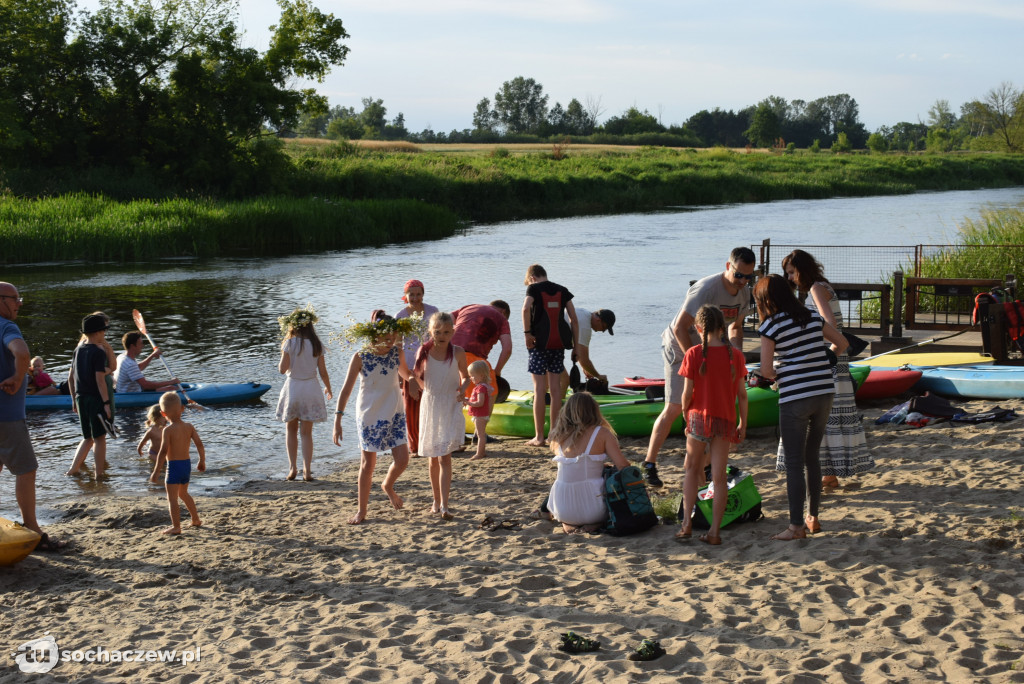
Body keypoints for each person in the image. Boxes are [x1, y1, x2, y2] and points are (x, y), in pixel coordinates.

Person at [642, 247, 756, 487]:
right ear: (728, 267)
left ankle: (705, 467)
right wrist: (695, 362)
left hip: (714, 350)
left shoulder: (744, 293)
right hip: (681, 347)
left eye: (749, 277)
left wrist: (734, 358)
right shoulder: (706, 289)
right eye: (739, 275)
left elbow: (735, 328)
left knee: (711, 408)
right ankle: (649, 463)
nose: (743, 282)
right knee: (674, 406)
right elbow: (679, 328)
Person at [754, 274, 848, 541]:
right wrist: (827, 357)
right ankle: (813, 518)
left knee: (794, 464)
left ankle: (795, 527)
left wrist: (771, 375)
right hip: (824, 392)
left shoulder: (770, 325)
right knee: (812, 457)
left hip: (796, 396)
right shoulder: (809, 315)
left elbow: (767, 370)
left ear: (766, 300)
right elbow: (842, 343)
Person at [781, 249, 873, 489]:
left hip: (828, 358)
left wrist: (829, 355)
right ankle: (828, 473)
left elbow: (829, 323)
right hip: (836, 356)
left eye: (792, 273)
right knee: (833, 414)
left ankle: (827, 473)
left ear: (801, 269)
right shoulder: (824, 286)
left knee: (824, 416)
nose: (790, 278)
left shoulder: (815, 289)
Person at [333, 310, 420, 525]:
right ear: (375, 335)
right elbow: (345, 390)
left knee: (402, 460)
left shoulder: (396, 353)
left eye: (394, 337)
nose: (391, 341)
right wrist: (337, 420)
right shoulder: (360, 356)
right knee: (367, 465)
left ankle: (387, 485)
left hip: (395, 410)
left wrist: (412, 379)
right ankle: (362, 511)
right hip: (370, 413)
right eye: (387, 337)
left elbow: (404, 373)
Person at [675, 305, 748, 546]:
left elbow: (687, 394)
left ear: (698, 328)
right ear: (722, 328)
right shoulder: (735, 355)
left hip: (698, 418)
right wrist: (743, 423)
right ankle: (714, 532)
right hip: (725, 420)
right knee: (718, 478)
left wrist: (686, 415)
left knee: (691, 469)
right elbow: (742, 395)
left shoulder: (694, 354)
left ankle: (686, 524)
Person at [0, 282, 65, 551]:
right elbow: (23, 352)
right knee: (27, 470)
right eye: (15, 299)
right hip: (8, 417)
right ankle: (32, 529)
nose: (19, 304)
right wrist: (17, 376)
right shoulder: (7, 327)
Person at [545, 392, 630, 534]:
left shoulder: (557, 434)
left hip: (561, 509)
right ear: (594, 411)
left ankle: (568, 523)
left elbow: (573, 465)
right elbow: (622, 466)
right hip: (593, 509)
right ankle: (596, 523)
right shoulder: (601, 433)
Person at [413, 312, 470, 519]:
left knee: (445, 456)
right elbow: (416, 376)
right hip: (431, 404)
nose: (442, 335)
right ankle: (435, 500)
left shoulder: (458, 352)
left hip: (449, 404)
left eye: (446, 332)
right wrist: (427, 391)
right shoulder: (424, 351)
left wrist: (462, 389)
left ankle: (445, 504)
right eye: (437, 332)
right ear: (431, 331)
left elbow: (466, 377)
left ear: (453, 332)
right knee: (432, 458)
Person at [522, 264, 578, 447]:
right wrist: (576, 346)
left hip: (539, 344)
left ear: (531, 278)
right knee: (555, 390)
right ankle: (553, 434)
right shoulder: (562, 290)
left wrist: (527, 333)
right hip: (558, 345)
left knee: (539, 389)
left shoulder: (533, 288)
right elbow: (573, 318)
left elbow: (525, 309)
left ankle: (539, 437)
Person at [276, 305, 333, 481]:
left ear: (292, 324)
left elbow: (282, 369)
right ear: (310, 325)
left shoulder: (289, 343)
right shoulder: (316, 344)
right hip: (311, 388)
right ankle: (307, 470)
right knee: (307, 433)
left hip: (293, 388)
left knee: (291, 429)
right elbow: (323, 371)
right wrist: (329, 387)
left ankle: (293, 469)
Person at [149, 392, 205, 535]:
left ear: (162, 413)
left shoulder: (167, 430)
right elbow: (199, 444)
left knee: (172, 499)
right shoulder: (189, 426)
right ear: (182, 409)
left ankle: (176, 527)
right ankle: (196, 519)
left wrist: (155, 472)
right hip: (186, 465)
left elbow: (162, 452)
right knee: (184, 493)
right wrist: (201, 460)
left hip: (173, 467)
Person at [66, 314, 115, 478]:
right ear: (98, 332)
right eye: (104, 331)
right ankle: (99, 474)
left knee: (88, 438)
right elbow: (100, 380)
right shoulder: (98, 352)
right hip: (95, 399)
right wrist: (106, 403)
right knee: (100, 438)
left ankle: (73, 469)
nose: (105, 335)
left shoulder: (78, 349)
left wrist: (74, 399)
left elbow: (71, 377)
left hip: (81, 398)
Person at [396, 279, 438, 457]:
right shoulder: (400, 315)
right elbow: (398, 344)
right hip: (409, 363)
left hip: (430, 361)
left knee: (431, 402)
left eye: (418, 294)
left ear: (423, 294)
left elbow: (438, 335)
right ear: (405, 296)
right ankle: (414, 445)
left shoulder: (432, 311)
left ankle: (432, 441)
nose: (415, 297)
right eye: (411, 294)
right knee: (411, 404)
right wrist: (399, 370)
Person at [451, 300, 513, 406]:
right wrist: (497, 372)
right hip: (472, 360)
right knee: (490, 392)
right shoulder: (501, 319)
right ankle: (481, 419)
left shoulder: (468, 307)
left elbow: (443, 319)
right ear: (503, 312)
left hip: (448, 355)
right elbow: (507, 349)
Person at [562, 307, 616, 386]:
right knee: (564, 381)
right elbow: (584, 359)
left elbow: (581, 355)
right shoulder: (585, 327)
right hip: (547, 347)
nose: (602, 331)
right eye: (604, 328)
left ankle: (543, 397)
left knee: (545, 384)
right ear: (599, 320)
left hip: (542, 341)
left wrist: (585, 368)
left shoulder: (584, 312)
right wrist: (598, 376)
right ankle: (557, 398)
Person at [115, 331, 179, 393]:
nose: (143, 346)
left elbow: (138, 368)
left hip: (123, 390)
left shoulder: (121, 357)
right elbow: (146, 385)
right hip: (132, 394)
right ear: (132, 346)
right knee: (171, 388)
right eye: (140, 344)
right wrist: (171, 382)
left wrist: (152, 355)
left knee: (170, 387)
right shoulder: (130, 364)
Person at [466, 360, 495, 461]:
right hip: (481, 414)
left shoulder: (481, 388)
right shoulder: (482, 387)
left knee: (480, 435)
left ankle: (479, 453)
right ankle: (482, 452)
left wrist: (468, 403)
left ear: (481, 375)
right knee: (481, 434)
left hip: (480, 415)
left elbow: (480, 403)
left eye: (472, 376)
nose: (471, 378)